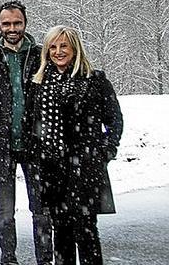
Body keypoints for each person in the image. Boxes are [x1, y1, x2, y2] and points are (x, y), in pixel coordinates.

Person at [30, 26, 123, 265]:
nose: (58, 52)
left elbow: (114, 119)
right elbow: (34, 123)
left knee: (86, 231)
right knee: (61, 232)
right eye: (53, 46)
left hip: (86, 168)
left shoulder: (95, 80)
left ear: (75, 48)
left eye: (64, 46)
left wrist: (107, 150)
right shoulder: (40, 83)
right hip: (53, 169)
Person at [0, 1, 53, 265]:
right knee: (5, 211)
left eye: (17, 23)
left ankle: (45, 259)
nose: (12, 28)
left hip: (37, 144)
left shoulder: (42, 57)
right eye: (6, 23)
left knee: (42, 210)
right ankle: (8, 258)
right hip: (0, 145)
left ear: (25, 23)